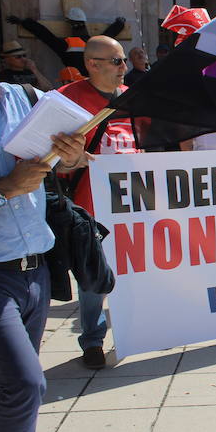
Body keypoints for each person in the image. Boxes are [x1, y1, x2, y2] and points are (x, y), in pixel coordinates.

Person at [0, 21, 86, 432]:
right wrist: (4, 188)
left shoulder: (24, 98)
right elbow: (12, 184)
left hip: (34, 264)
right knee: (26, 382)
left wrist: (71, 154)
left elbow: (64, 161)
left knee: (3, 384)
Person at [58, 36, 141, 369]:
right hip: (89, 205)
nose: (124, 68)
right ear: (92, 64)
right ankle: (92, 340)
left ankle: (133, 331)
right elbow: (48, 160)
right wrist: (73, 160)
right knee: (94, 277)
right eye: (117, 61)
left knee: (133, 273)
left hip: (133, 203)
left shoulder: (131, 99)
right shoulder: (67, 100)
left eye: (123, 61)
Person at [6, 8, 125, 76]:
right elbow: (109, 35)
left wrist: (24, 22)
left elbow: (45, 35)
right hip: (92, 82)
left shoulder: (67, 46)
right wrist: (119, 24)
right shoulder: (94, 43)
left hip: (77, 83)